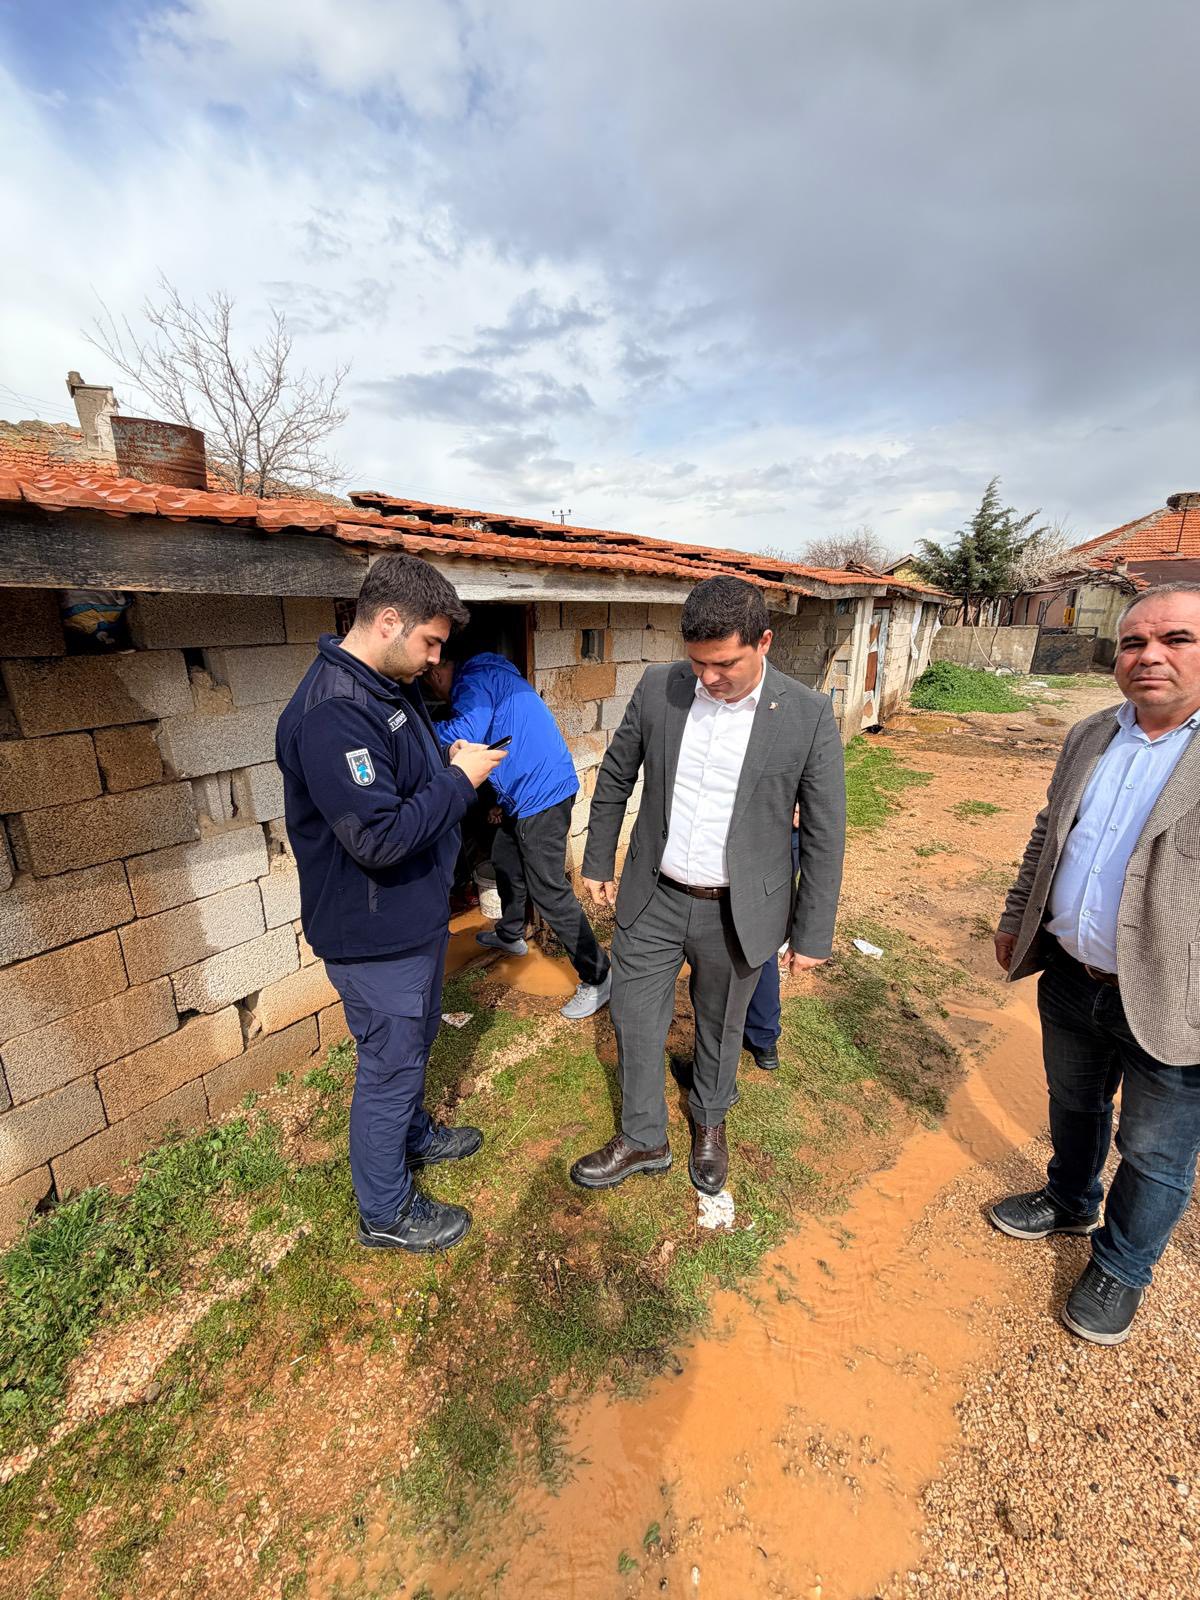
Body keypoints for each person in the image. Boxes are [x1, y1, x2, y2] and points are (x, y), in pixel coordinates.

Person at [570, 575, 847, 1197]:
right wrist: (599, 860)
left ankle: (709, 1121)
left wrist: (812, 933)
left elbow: (825, 832)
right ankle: (643, 1135)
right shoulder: (659, 686)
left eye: (724, 664)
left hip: (739, 908)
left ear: (764, 642)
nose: (709, 677)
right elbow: (616, 775)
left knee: (720, 1025)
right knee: (634, 1015)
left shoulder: (805, 714)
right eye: (698, 663)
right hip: (655, 895)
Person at [276, 555, 507, 1254]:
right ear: (386, 621)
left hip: (412, 918)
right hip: (373, 935)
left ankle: (412, 1135)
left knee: (415, 1043)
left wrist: (445, 760)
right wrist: (460, 781)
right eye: (430, 642)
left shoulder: (385, 688)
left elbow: (402, 778)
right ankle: (385, 1211)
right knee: (390, 1068)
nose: (436, 659)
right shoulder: (334, 715)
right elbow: (376, 837)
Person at [991, 582, 1200, 1346]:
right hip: (1072, 975)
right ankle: (1070, 1198)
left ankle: (1121, 1265)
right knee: (1075, 1104)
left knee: (1155, 1150)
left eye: (1176, 639)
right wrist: (1018, 914)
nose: (1149, 656)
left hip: (1174, 997)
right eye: (1133, 642)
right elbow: (1048, 833)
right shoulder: (1091, 734)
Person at [426, 647, 612, 1020]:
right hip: (530, 792)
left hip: (541, 797)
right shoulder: (492, 675)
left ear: (437, 672)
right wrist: (500, 799)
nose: (439, 694)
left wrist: (415, 733)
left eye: (431, 683)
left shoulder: (471, 683)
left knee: (549, 891)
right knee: (505, 858)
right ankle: (511, 933)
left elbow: (465, 737)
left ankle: (599, 976)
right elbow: (507, 740)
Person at [740, 807, 801, 1071]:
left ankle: (757, 1035)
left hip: (766, 829)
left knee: (748, 933)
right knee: (760, 933)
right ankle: (762, 1036)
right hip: (778, 829)